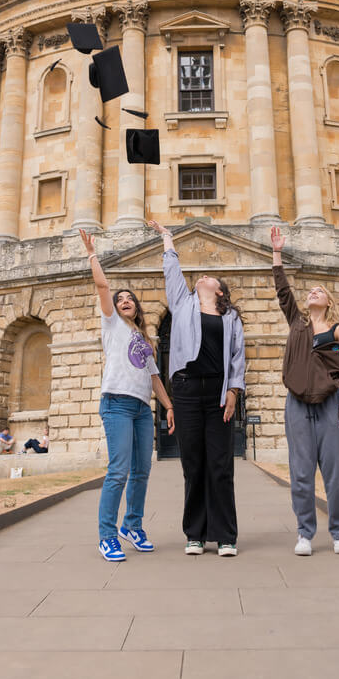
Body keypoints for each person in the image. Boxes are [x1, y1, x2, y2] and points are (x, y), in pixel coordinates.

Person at [148, 219, 245, 557]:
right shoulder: (183, 303)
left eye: (208, 278)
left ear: (220, 291)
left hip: (218, 392)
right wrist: (167, 238)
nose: (200, 278)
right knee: (193, 462)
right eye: (198, 278)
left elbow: (237, 358)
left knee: (220, 463)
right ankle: (195, 533)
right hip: (187, 390)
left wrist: (234, 391)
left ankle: (226, 535)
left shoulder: (231, 318)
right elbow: (172, 273)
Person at [270, 226, 339, 556]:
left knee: (335, 474)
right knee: (300, 473)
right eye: (310, 290)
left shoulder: (338, 331)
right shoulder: (297, 323)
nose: (313, 292)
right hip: (296, 404)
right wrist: (277, 254)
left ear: (328, 302)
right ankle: (305, 533)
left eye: (319, 291)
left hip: (330, 406)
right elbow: (284, 292)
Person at [81, 228, 174, 562]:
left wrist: (167, 407)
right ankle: (107, 535)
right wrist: (93, 254)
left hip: (140, 409)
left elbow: (154, 378)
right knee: (119, 471)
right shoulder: (112, 324)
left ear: (137, 307)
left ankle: (131, 525)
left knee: (142, 472)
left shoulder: (146, 340)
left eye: (129, 299)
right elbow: (103, 286)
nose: (124, 301)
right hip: (117, 404)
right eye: (120, 299)